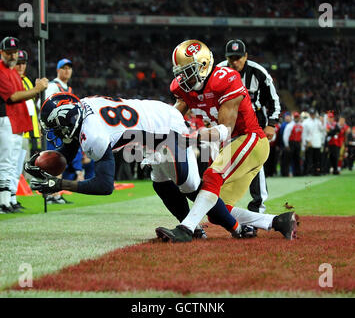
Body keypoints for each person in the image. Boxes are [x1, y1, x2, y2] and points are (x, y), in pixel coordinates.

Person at [25, 92, 297, 241]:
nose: (57, 134)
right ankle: (270, 222)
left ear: (68, 117)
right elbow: (67, 147)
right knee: (161, 183)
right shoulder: (83, 108)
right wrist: (41, 163)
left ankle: (238, 228)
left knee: (193, 191)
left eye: (57, 127)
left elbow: (105, 186)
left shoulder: (93, 133)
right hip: (150, 130)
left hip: (166, 131)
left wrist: (59, 184)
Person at [154, 39, 298, 242]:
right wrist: (153, 135)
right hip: (231, 143)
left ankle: (186, 229)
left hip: (249, 138)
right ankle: (277, 221)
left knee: (212, 177)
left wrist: (195, 137)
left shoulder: (225, 78)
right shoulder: (185, 88)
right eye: (180, 72)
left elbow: (225, 129)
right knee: (217, 210)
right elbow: (171, 118)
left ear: (203, 66)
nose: (183, 77)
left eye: (188, 71)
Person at [218, 39, 281, 219]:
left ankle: (258, 208)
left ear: (246, 56)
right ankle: (220, 205)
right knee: (222, 164)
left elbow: (274, 100)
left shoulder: (258, 72)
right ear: (226, 58)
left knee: (255, 164)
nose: (235, 62)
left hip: (254, 126)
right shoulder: (219, 72)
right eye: (231, 58)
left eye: (238, 58)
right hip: (228, 126)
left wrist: (271, 124)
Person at [0, 36, 48, 214]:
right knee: (5, 163)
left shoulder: (13, 72)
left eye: (14, 53)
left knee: (12, 163)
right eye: (9, 53)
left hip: (16, 121)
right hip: (5, 119)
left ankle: (8, 200)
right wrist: (36, 90)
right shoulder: (2, 70)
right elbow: (12, 97)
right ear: (2, 53)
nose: (12, 56)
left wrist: (35, 91)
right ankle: (3, 202)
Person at [41, 58, 77, 204]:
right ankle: (50, 194)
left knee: (59, 162)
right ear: (58, 70)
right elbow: (42, 103)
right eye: (64, 68)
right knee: (52, 162)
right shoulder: (53, 86)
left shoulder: (68, 89)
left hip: (65, 131)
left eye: (69, 68)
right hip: (55, 131)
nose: (67, 70)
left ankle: (55, 193)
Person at [301, 108, 325, 176]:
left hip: (317, 142)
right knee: (309, 158)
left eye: (313, 114)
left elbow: (322, 130)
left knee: (317, 158)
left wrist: (323, 122)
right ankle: (308, 171)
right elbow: (304, 134)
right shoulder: (305, 122)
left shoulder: (318, 122)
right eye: (311, 114)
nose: (312, 115)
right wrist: (305, 142)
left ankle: (316, 171)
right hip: (309, 142)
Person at [282, 112, 303, 176]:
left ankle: (297, 173)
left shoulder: (301, 125)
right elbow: (285, 136)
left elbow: (302, 135)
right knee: (288, 159)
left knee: (297, 159)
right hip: (291, 143)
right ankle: (286, 173)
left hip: (297, 143)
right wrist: (286, 145)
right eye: (295, 117)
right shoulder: (290, 125)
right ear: (294, 117)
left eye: (297, 117)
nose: (296, 118)